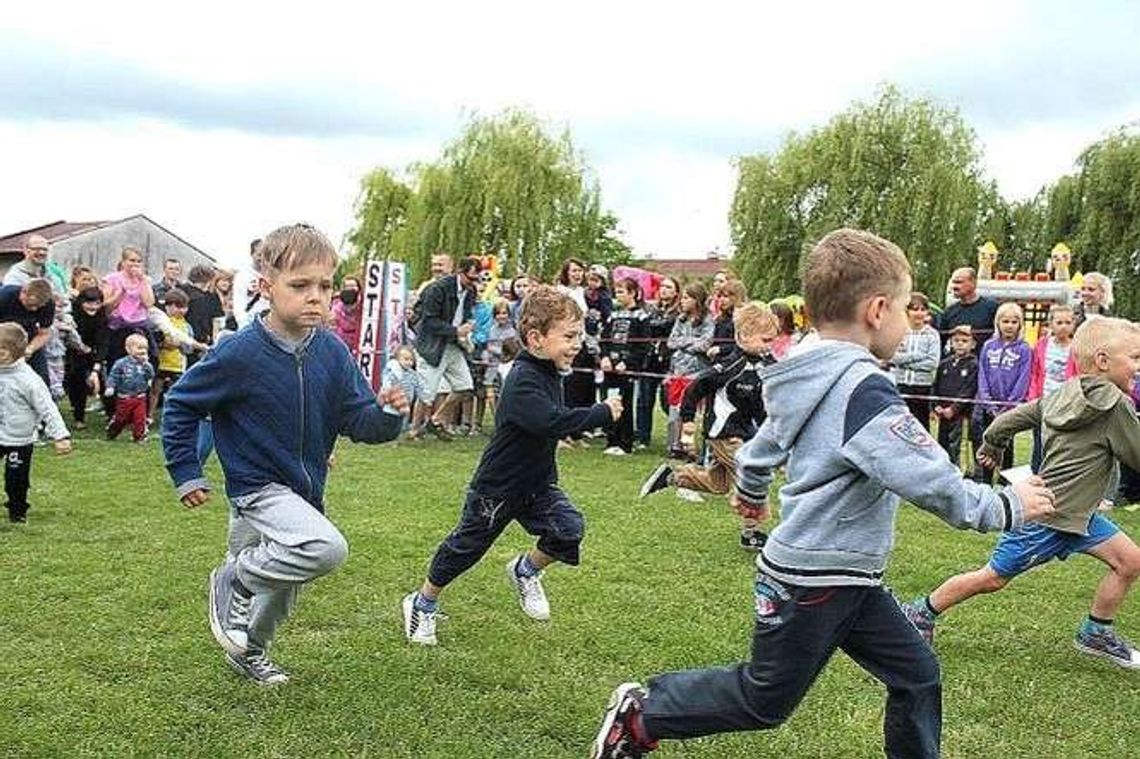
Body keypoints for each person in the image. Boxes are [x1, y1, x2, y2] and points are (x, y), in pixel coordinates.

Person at [589, 228, 1056, 759]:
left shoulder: (805, 375)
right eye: (905, 309)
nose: (908, 324)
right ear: (877, 310)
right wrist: (1006, 505)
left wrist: (752, 489)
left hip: (850, 575)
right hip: (816, 578)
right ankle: (643, 716)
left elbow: (762, 446)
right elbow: (929, 479)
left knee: (917, 674)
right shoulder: (865, 391)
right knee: (764, 699)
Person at [162, 223, 408, 685]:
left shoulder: (333, 352)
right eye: (300, 285)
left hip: (303, 493)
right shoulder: (239, 351)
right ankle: (233, 580)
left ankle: (249, 651)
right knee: (325, 548)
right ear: (265, 287)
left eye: (325, 286)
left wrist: (388, 413)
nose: (316, 297)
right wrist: (186, 470)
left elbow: (359, 421)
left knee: (282, 582)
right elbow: (181, 403)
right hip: (255, 490)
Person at [902, 317, 1140, 670]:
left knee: (1130, 561)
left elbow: (1010, 420)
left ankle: (1096, 631)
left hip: (1078, 517)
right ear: (1103, 361)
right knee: (992, 578)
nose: (1138, 366)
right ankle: (920, 611)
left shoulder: (1065, 392)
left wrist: (993, 445)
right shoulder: (1116, 405)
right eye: (1135, 357)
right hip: (1047, 517)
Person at [401, 285, 621, 647]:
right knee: (466, 548)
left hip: (536, 485)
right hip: (497, 488)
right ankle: (422, 602)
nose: (577, 344)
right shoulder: (522, 379)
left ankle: (526, 569)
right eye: (568, 336)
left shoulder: (550, 370)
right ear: (535, 338)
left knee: (569, 528)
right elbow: (550, 422)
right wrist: (600, 413)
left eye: (579, 336)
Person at [640, 301, 779, 550]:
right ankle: (752, 532)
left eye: (772, 340)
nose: (770, 346)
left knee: (718, 484)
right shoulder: (729, 367)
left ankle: (671, 476)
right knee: (752, 474)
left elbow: (762, 402)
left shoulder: (766, 364)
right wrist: (688, 422)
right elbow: (695, 388)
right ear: (744, 335)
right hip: (724, 433)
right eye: (765, 340)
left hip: (746, 433)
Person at [0, 323, 72, 523]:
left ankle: (17, 510)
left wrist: (60, 435)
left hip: (19, 439)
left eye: (2, 351)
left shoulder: (28, 380)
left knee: (15, 479)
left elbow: (47, 408)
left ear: (16, 352)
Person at [413, 256, 481, 441]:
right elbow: (428, 321)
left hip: (454, 345)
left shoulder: (471, 291)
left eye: (476, 279)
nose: (473, 282)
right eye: (471, 278)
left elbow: (466, 313)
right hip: (433, 345)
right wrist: (455, 330)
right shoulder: (437, 289)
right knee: (427, 392)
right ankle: (414, 430)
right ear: (460, 272)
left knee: (465, 386)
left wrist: (469, 324)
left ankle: (435, 420)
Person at [973, 302, 1032, 484]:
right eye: (1005, 321)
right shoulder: (988, 346)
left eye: (1014, 322)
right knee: (988, 442)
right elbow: (982, 375)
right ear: (998, 323)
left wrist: (1009, 406)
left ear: (1020, 324)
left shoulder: (1024, 349)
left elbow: (1023, 379)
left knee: (1006, 446)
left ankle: (1004, 482)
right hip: (988, 407)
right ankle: (985, 481)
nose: (1009, 326)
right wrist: (988, 403)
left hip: (1009, 409)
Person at [664, 282, 714, 459]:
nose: (682, 301)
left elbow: (705, 344)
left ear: (696, 300)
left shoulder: (708, 320)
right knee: (675, 411)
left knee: (691, 413)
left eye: (686, 297)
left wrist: (684, 343)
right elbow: (671, 342)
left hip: (697, 373)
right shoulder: (681, 319)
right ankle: (675, 445)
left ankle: (690, 447)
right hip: (678, 371)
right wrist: (691, 342)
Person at [600, 277, 648, 456]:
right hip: (610, 367)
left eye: (621, 292)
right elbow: (604, 339)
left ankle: (625, 442)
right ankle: (611, 439)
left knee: (625, 404)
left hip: (627, 369)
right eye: (616, 292)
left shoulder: (641, 317)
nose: (618, 295)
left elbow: (643, 346)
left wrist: (628, 363)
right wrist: (605, 357)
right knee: (610, 401)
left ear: (632, 293)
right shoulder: (613, 315)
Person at [1027, 303, 1076, 472]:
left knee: (1061, 443)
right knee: (1039, 443)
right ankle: (1037, 473)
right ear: (1051, 324)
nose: (1063, 326)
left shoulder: (1076, 347)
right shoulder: (1041, 345)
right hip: (1044, 400)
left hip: (1065, 403)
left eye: (1068, 322)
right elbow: (1034, 372)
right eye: (1059, 322)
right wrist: (1033, 398)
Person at [636, 276, 680, 449]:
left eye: (669, 287)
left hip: (668, 360)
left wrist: (654, 327)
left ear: (676, 292)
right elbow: (646, 327)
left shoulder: (678, 313)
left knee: (667, 401)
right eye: (662, 286)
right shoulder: (652, 309)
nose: (664, 290)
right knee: (644, 400)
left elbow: (665, 327)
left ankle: (676, 436)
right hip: (650, 359)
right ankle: (642, 437)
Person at [890, 293, 941, 431]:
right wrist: (917, 356)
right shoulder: (899, 331)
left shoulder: (932, 335)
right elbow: (893, 357)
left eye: (923, 309)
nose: (919, 313)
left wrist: (904, 363)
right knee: (899, 424)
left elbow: (932, 363)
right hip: (900, 384)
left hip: (922, 387)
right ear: (907, 311)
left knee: (920, 426)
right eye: (915, 309)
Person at [102, 246, 156, 369]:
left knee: (149, 359)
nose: (135, 264)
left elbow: (149, 303)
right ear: (123, 262)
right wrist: (119, 295)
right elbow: (105, 303)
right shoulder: (112, 278)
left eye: (138, 261)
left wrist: (143, 281)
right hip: (118, 325)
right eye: (132, 260)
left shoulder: (144, 280)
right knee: (117, 362)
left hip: (139, 325)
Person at [932, 325, 978, 468]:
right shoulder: (944, 364)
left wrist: (954, 409)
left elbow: (969, 390)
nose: (960, 344)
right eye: (956, 340)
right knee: (942, 443)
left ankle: (958, 471)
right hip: (943, 413)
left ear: (973, 344)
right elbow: (935, 386)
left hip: (961, 414)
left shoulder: (973, 365)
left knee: (957, 444)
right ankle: (943, 470)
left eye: (964, 341)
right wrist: (936, 406)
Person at [149, 289, 198, 420]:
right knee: (155, 390)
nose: (181, 310)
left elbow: (188, 348)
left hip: (178, 364)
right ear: (167, 306)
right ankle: (149, 415)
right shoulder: (161, 322)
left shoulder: (186, 326)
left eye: (184, 307)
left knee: (174, 391)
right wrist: (164, 344)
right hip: (161, 363)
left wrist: (179, 345)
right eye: (177, 307)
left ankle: (171, 414)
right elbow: (156, 341)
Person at [65, 286, 109, 429]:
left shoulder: (102, 317)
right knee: (77, 383)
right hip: (74, 351)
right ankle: (79, 418)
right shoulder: (73, 314)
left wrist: (96, 367)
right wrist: (80, 347)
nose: (93, 307)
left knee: (103, 383)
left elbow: (103, 342)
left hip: (93, 351)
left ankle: (111, 415)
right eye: (89, 303)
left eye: (97, 303)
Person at [0, 278, 55, 385]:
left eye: (38, 306)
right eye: (31, 304)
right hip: (2, 337)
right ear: (23, 292)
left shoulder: (48, 304)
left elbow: (44, 333)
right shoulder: (4, 296)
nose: (34, 309)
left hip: (28, 338)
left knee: (42, 377)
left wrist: (30, 349)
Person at [105, 333, 155, 443]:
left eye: (145, 348)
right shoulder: (121, 363)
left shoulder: (145, 364)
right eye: (139, 348)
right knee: (121, 418)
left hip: (140, 396)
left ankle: (139, 436)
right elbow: (114, 375)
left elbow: (151, 374)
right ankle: (113, 429)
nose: (142, 351)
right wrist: (110, 386)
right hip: (124, 397)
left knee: (140, 417)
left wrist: (147, 365)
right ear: (128, 349)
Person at [937, 267, 998, 352]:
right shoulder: (949, 312)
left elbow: (1000, 335)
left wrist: (973, 332)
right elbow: (940, 341)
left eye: (959, 282)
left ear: (973, 283)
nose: (954, 286)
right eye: (953, 282)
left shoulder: (992, 308)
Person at [381, 345, 425, 429]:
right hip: (393, 401)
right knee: (391, 418)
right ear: (397, 359)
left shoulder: (413, 374)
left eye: (411, 360)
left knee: (404, 418)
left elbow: (418, 386)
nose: (409, 362)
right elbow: (386, 384)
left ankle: (402, 429)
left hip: (407, 402)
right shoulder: (392, 372)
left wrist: (422, 395)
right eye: (406, 359)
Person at [707, 280, 746, 361]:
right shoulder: (720, 319)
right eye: (720, 296)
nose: (721, 300)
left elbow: (743, 346)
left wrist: (721, 349)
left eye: (726, 296)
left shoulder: (743, 319)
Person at [330, 276, 362, 354]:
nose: (349, 289)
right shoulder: (335, 312)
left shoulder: (365, 311)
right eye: (346, 287)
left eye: (352, 286)